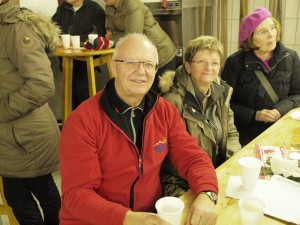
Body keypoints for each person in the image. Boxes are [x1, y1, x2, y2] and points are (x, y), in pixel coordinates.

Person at [59, 33, 218, 225]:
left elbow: (192, 156)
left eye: (149, 64)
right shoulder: (82, 121)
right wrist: (129, 219)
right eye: (131, 62)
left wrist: (207, 192)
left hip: (149, 215)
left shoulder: (164, 111)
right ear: (113, 66)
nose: (141, 71)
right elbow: (77, 195)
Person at [0, 0, 61, 224]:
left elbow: (42, 84)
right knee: (34, 191)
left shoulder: (15, 28)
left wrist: (2, 111)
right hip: (14, 133)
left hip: (25, 135)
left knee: (21, 197)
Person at [159, 35, 241, 196]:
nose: (208, 67)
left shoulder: (222, 95)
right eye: (201, 61)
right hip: (181, 180)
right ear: (188, 67)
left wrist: (232, 165)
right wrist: (205, 179)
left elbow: (231, 133)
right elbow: (167, 153)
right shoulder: (172, 101)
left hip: (216, 171)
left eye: (214, 62)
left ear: (220, 68)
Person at [221, 7, 300, 146]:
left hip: (279, 130)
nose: (271, 35)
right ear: (250, 38)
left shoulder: (290, 57)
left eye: (272, 28)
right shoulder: (235, 62)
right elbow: (224, 104)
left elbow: (298, 94)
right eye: (263, 31)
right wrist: (254, 115)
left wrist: (278, 110)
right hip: (246, 135)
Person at [104, 0, 177, 93]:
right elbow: (108, 31)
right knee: (143, 95)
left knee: (160, 97)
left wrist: (113, 36)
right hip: (141, 57)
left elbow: (133, 37)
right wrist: (113, 35)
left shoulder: (133, 5)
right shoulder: (109, 7)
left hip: (161, 54)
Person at [52, 0, 106, 108]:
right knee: (70, 96)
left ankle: (87, 123)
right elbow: (52, 29)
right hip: (67, 60)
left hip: (86, 61)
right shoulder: (62, 9)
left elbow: (98, 34)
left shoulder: (95, 9)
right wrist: (56, 39)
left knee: (82, 93)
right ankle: (73, 122)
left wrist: (76, 40)